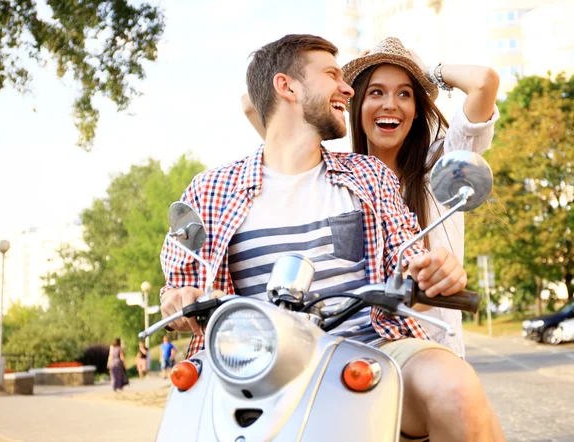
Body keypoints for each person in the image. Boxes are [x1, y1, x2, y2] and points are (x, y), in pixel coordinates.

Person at [160, 34, 504, 441]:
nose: (347, 89)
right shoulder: (210, 190)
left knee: (456, 388)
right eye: (332, 75)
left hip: (374, 348)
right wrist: (178, 303)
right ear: (286, 87)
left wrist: (430, 270)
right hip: (255, 370)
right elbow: (179, 288)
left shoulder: (369, 175)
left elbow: (408, 257)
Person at [242, 37, 500, 359]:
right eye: (376, 92)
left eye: (404, 94)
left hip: (431, 353)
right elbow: (250, 102)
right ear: (355, 102)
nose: (390, 104)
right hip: (355, 356)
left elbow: (484, 82)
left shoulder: (440, 167)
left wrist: (426, 72)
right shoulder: (336, 181)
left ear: (417, 112)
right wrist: (336, 81)